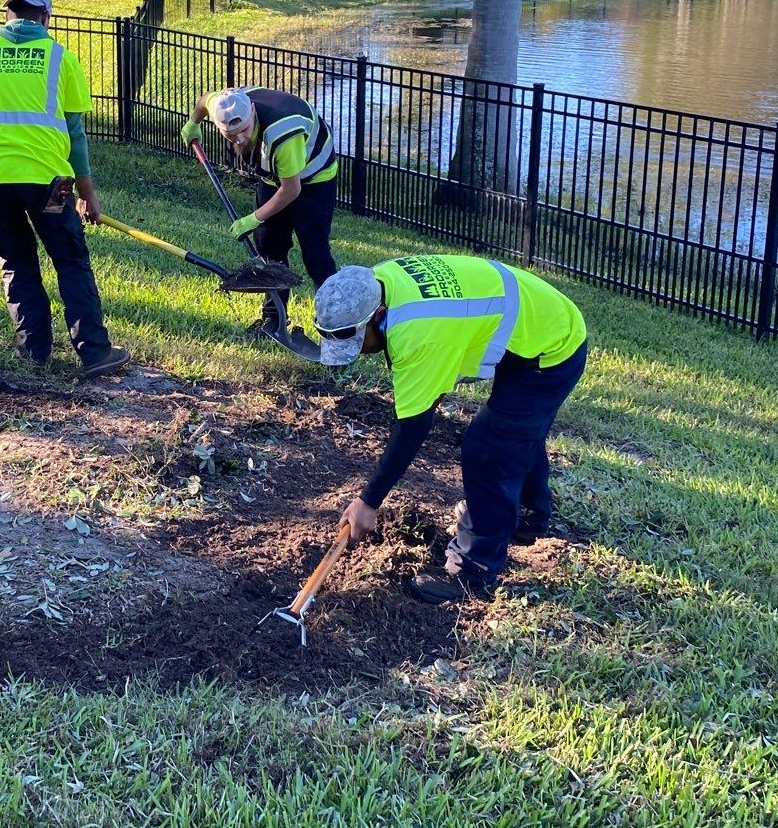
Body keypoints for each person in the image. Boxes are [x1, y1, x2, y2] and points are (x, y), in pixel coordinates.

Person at [312, 254, 587, 604]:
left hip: (554, 347)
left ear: (378, 316)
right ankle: (529, 514)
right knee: (515, 431)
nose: (355, 353)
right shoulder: (376, 281)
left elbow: (413, 427)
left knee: (488, 447)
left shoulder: (418, 333)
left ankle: (473, 570)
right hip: (537, 320)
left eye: (355, 341)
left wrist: (369, 501)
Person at [0, 0, 128, 379]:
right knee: (69, 259)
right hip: (49, 182)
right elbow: (75, 134)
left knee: (16, 263)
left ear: (9, 14)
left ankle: (34, 354)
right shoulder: (60, 57)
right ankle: (95, 353)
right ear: (45, 18)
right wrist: (88, 195)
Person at [181, 85, 338, 329]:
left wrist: (254, 218)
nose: (239, 139)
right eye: (230, 134)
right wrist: (193, 123)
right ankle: (274, 320)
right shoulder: (224, 104)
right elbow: (204, 101)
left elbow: (291, 190)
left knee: (316, 255)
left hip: (314, 179)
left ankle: (336, 327)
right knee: (269, 247)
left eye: (243, 130)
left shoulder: (282, 134)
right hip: (275, 178)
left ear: (252, 111)